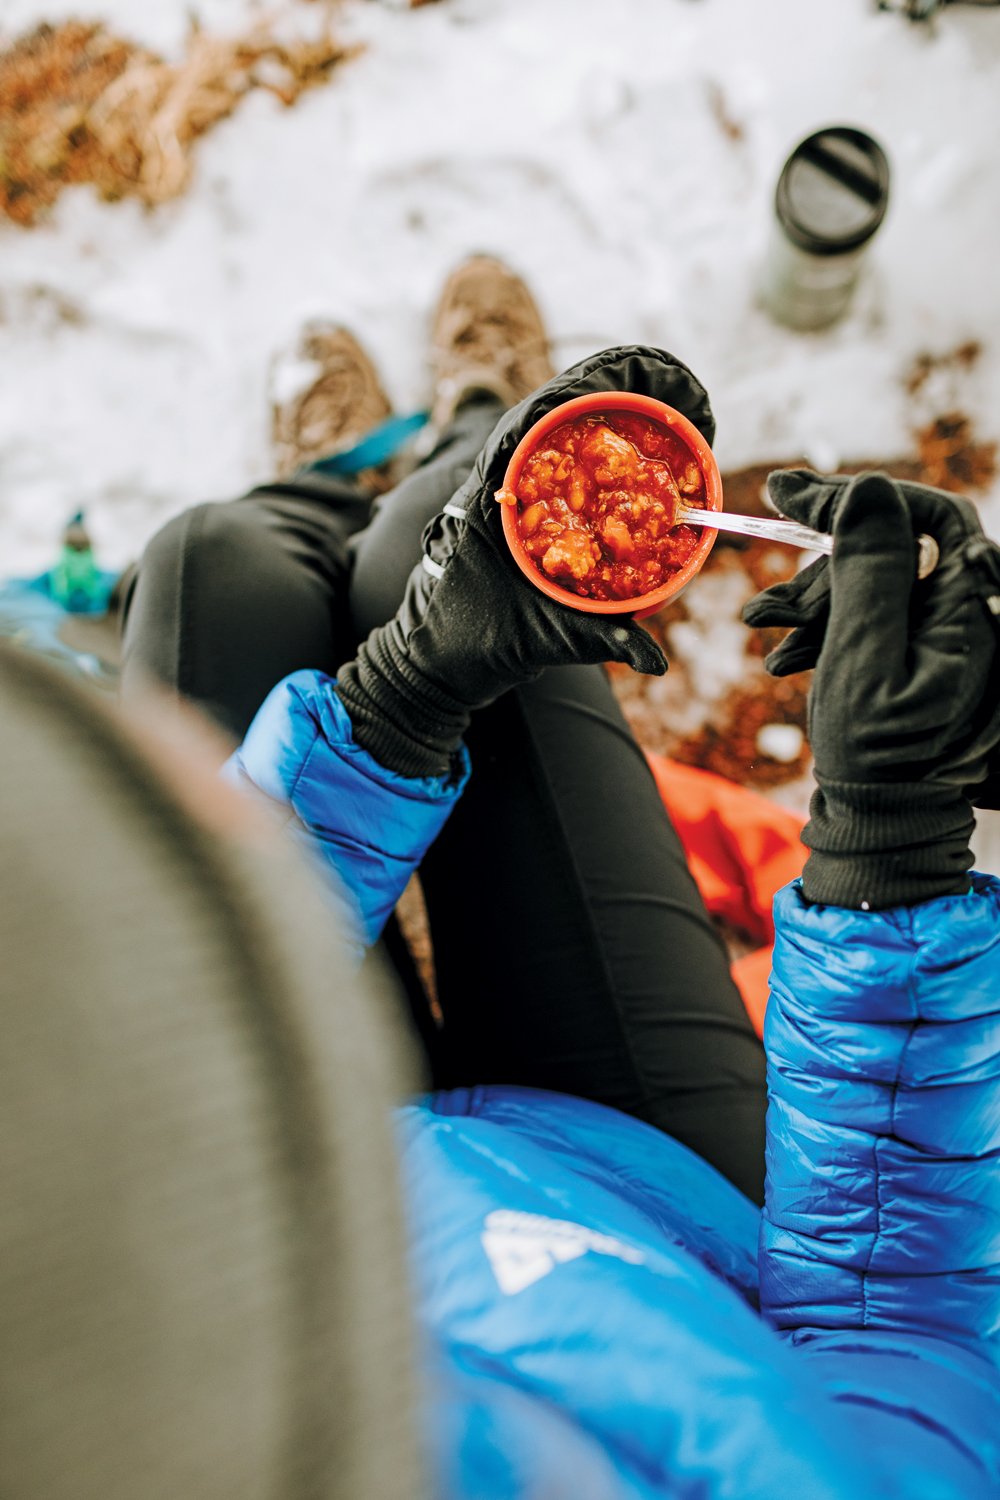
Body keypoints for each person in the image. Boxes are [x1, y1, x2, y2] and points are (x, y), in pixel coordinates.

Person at [118, 257, 1000, 1497]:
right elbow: (904, 1331)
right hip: (654, 1193)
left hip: (263, 1185)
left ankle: (320, 480)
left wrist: (398, 701)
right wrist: (891, 838)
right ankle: (471, 430)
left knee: (210, 561)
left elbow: (135, 1144)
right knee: (453, 518)